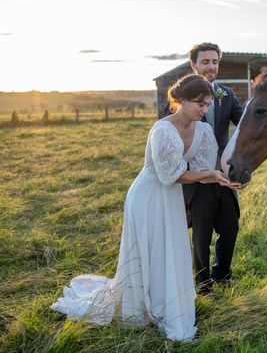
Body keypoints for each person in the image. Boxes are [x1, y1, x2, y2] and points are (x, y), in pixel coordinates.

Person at [51, 75, 239, 341]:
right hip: (148, 196)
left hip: (170, 198)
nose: (204, 110)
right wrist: (208, 173)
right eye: (200, 103)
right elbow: (169, 176)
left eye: (207, 104)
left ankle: (166, 303)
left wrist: (220, 178)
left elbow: (200, 171)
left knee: (169, 249)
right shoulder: (162, 130)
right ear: (181, 100)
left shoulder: (204, 130)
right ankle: (140, 303)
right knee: (149, 250)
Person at [166, 42, 243, 293]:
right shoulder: (179, 97)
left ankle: (222, 273)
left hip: (222, 172)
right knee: (201, 231)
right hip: (195, 176)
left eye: (215, 61)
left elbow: (243, 125)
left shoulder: (227, 95)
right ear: (194, 65)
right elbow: (169, 134)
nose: (211, 66)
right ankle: (202, 282)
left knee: (230, 224)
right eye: (205, 62)